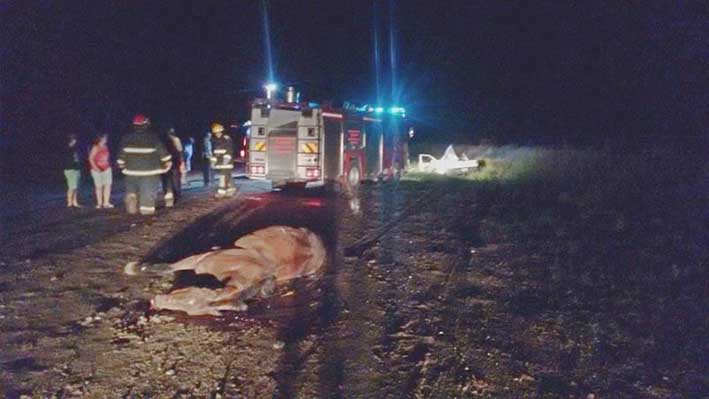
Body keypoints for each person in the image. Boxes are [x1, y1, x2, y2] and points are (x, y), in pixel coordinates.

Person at [116, 114, 171, 215]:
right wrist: (167, 162)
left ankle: (131, 203)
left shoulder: (126, 138)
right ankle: (146, 212)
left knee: (131, 190)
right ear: (146, 124)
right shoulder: (153, 137)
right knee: (148, 193)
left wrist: (121, 165)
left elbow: (121, 154)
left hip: (130, 171)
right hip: (149, 172)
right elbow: (162, 152)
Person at [209, 122, 235, 198]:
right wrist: (213, 162)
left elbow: (229, 150)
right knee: (227, 176)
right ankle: (231, 189)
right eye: (216, 133)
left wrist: (225, 162)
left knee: (223, 176)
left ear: (221, 132)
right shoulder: (215, 141)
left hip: (227, 162)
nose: (217, 134)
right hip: (220, 163)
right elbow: (215, 153)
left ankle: (221, 192)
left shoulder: (227, 139)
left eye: (218, 132)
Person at [88, 133, 114, 208]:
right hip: (97, 170)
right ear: (100, 139)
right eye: (105, 138)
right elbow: (91, 158)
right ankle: (99, 203)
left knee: (107, 185)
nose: (106, 139)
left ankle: (106, 203)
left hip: (106, 168)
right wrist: (96, 168)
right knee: (99, 186)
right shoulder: (95, 147)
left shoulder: (105, 146)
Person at [161, 128, 184, 207]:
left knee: (166, 180)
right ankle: (177, 196)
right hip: (174, 161)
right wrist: (182, 162)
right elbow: (180, 151)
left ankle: (168, 196)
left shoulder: (161, 140)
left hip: (164, 163)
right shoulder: (176, 139)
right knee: (175, 180)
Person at [63, 134, 82, 208]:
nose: (75, 140)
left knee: (76, 186)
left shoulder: (76, 149)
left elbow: (78, 158)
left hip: (77, 169)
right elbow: (67, 160)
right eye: (73, 139)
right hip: (70, 169)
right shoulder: (66, 149)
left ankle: (75, 201)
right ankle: (69, 202)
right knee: (71, 186)